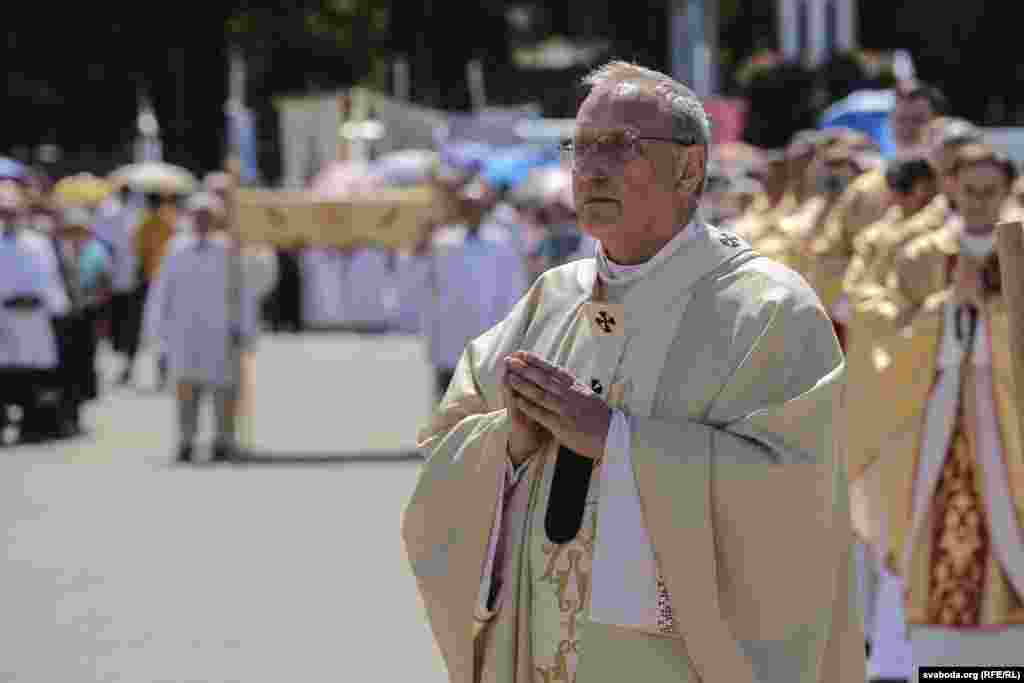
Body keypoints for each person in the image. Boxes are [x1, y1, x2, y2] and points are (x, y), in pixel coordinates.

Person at [402, 61, 863, 683]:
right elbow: (442, 457)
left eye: (620, 147)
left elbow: (795, 499)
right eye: (581, 147)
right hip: (543, 652)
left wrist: (617, 442)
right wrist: (508, 443)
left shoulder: (768, 310)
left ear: (690, 167)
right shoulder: (554, 298)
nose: (590, 169)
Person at [850, 143, 1024, 668]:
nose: (978, 202)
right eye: (968, 190)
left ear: (1008, 191)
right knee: (927, 530)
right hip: (934, 414)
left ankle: (1004, 663)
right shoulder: (920, 254)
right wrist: (947, 311)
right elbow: (879, 324)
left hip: (1008, 418)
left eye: (989, 192)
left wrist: (991, 318)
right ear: (950, 188)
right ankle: (939, 660)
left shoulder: (1018, 250)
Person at [142, 192, 259, 464]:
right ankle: (186, 441)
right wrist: (156, 332)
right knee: (185, 391)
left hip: (220, 334)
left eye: (208, 216)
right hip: (184, 333)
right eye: (198, 216)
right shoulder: (176, 249)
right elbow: (162, 292)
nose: (202, 221)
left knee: (224, 394)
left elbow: (243, 293)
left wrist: (246, 330)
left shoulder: (229, 250)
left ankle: (223, 441)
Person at [404, 172, 529, 402]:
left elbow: (513, 288)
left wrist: (512, 329)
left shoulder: (500, 243)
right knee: (447, 399)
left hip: (488, 332)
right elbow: (423, 282)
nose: (472, 212)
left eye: (476, 206)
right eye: (467, 206)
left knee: (484, 401)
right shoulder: (443, 242)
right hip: (449, 333)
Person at [0, 167, 65, 444]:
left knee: (34, 376)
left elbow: (49, 277)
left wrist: (56, 306)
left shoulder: (39, 243)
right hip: (4, 317)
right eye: (4, 213)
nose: (8, 218)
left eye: (13, 213)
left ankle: (34, 426)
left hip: (34, 318)